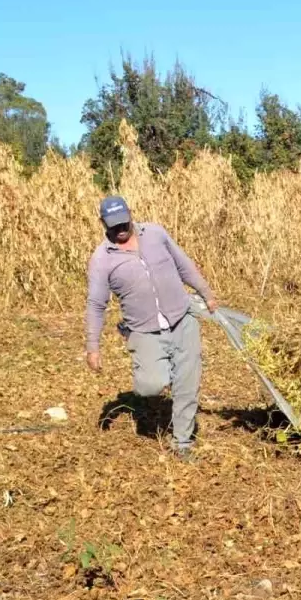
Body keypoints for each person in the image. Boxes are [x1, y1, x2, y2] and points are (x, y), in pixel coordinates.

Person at [84, 195, 218, 459]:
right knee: (150, 386)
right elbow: (96, 304)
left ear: (131, 214)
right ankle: (159, 368)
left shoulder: (156, 234)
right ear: (102, 223)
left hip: (182, 319)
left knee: (187, 385)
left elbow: (184, 266)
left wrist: (206, 292)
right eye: (113, 225)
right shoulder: (102, 259)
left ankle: (182, 444)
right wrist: (93, 347)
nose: (120, 229)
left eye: (124, 222)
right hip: (143, 329)